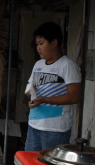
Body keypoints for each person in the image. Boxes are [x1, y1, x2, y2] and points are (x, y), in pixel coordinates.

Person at [25, 21, 81, 151]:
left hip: (55, 128)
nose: (38, 48)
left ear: (54, 43)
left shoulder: (67, 65)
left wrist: (44, 99)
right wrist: (31, 95)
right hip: (34, 124)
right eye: (37, 44)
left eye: (41, 43)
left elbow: (74, 97)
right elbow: (31, 87)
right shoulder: (38, 64)